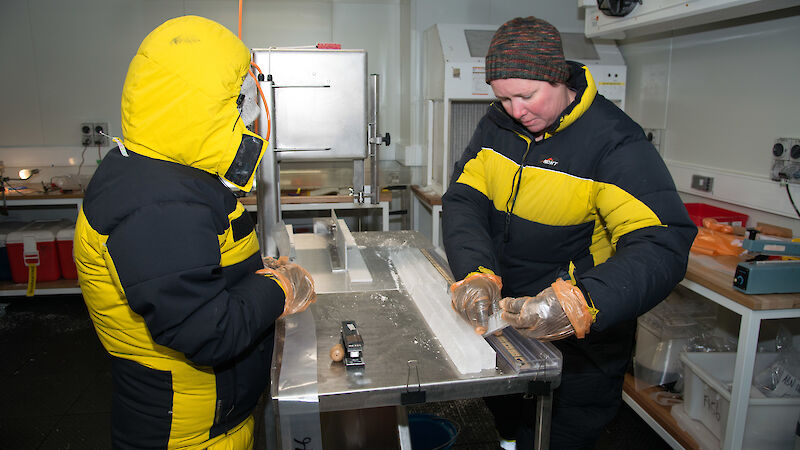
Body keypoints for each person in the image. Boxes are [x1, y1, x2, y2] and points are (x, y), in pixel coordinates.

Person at [442, 16, 697, 450]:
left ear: (558, 77)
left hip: (582, 338)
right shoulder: (497, 126)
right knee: (506, 421)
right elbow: (465, 200)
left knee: (561, 435)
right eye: (503, 98)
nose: (516, 111)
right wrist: (476, 272)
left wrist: (580, 304)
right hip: (505, 316)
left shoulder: (614, 141)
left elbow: (662, 242)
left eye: (526, 95)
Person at [74, 16, 316, 449]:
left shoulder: (172, 175)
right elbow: (208, 330)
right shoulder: (155, 203)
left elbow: (202, 268)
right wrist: (279, 288)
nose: (250, 110)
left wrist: (256, 273)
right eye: (238, 97)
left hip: (212, 416)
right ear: (201, 104)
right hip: (185, 431)